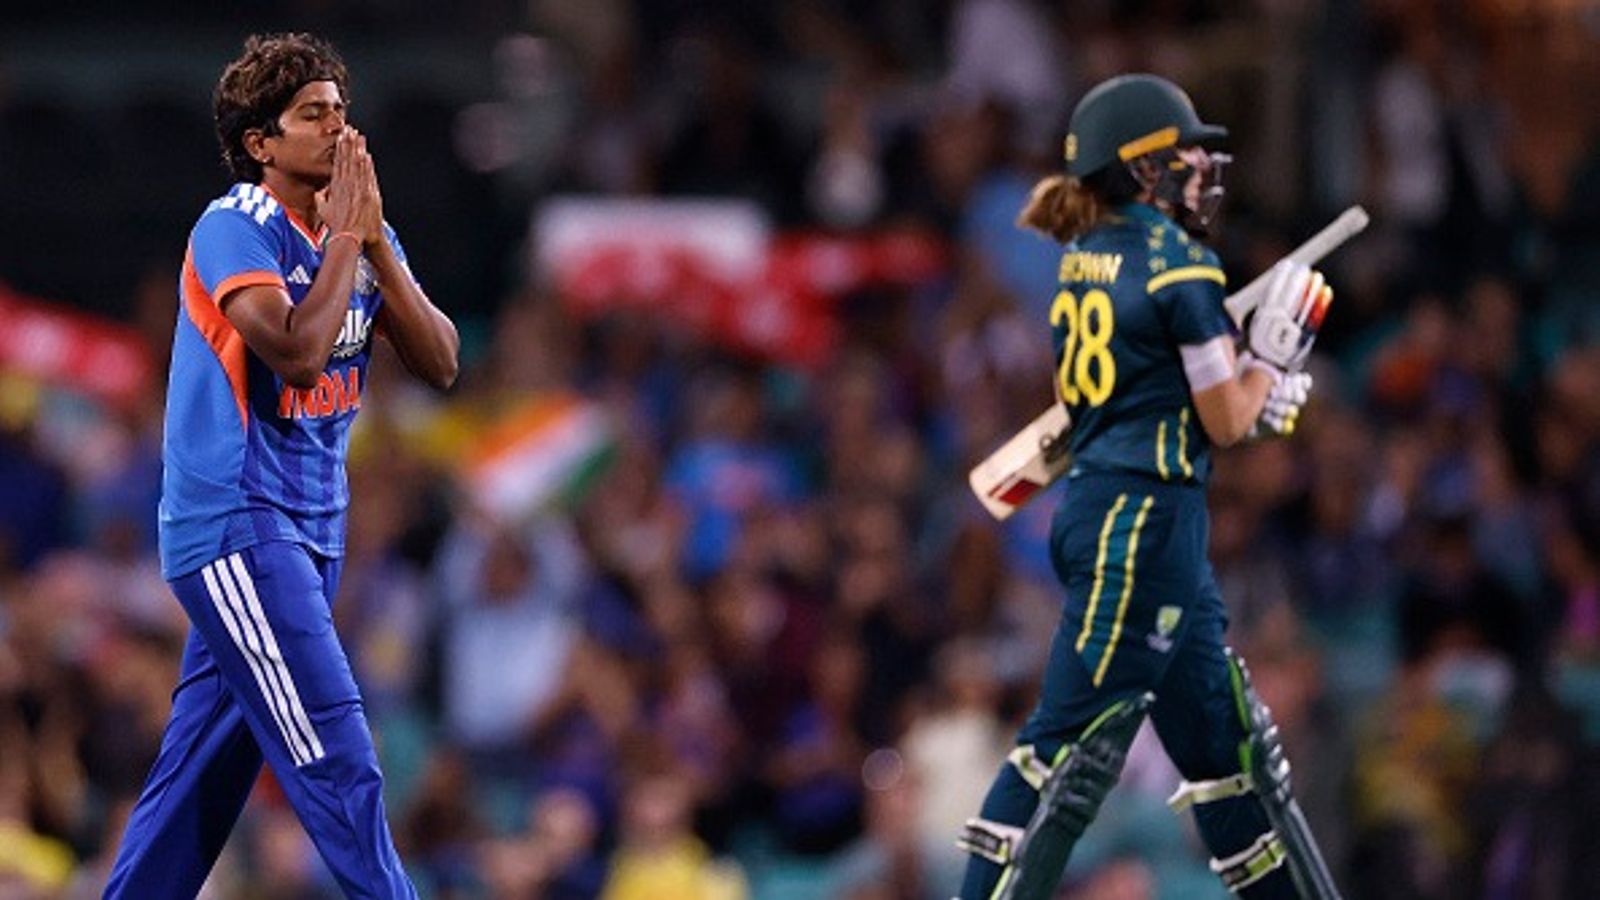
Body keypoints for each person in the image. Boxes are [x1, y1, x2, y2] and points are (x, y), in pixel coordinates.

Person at [954, 74, 1341, 899]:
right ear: (1139, 166)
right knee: (1066, 755)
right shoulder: (1181, 269)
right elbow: (1229, 422)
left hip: (1120, 511)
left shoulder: (1082, 259)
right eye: (1184, 156)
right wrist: (1269, 363)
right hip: (1142, 524)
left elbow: (1150, 399)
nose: (1201, 169)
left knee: (1232, 755)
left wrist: (1245, 384)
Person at [104, 33, 459, 898]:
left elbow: (443, 362)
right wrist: (346, 241)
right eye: (312, 115)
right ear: (262, 143)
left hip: (312, 533)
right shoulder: (233, 228)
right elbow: (299, 354)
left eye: (342, 111)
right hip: (236, 525)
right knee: (336, 749)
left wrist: (372, 247)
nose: (338, 128)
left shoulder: (361, 236)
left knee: (199, 779)